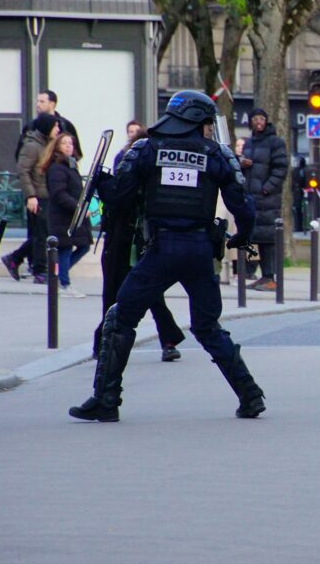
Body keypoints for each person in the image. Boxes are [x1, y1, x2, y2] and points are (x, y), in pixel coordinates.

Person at [69, 90, 263, 423]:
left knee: (121, 318)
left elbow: (118, 198)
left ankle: (106, 399)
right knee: (208, 327)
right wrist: (243, 237)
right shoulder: (215, 154)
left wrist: (101, 181)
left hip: (161, 249)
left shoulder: (147, 149)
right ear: (197, 122)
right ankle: (250, 395)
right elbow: (242, 205)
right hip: (200, 250)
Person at [93, 121, 187, 362]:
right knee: (148, 293)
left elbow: (117, 198)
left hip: (128, 240)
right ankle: (166, 340)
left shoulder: (136, 171)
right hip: (141, 238)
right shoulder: (152, 170)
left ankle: (106, 341)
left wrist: (101, 182)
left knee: (118, 292)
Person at [2, 113, 61, 284]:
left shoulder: (47, 145)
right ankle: (39, 270)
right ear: (46, 127)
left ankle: (15, 258)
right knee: (41, 235)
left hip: (47, 196)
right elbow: (23, 171)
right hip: (38, 196)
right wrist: (31, 195)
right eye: (55, 126)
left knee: (42, 233)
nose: (57, 129)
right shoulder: (32, 146)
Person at [239, 108, 288, 292]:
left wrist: (266, 188)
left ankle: (270, 276)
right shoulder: (249, 143)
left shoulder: (275, 142)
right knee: (257, 237)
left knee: (268, 239)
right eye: (255, 119)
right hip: (252, 198)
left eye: (261, 118)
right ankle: (263, 275)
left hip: (267, 199)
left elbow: (281, 168)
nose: (258, 122)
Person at [41, 133, 92, 298]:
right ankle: (64, 283)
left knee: (83, 246)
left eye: (71, 143)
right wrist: (78, 207)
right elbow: (59, 193)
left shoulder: (71, 165)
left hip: (72, 215)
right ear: (57, 147)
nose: (69, 146)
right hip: (63, 216)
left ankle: (57, 277)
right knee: (65, 249)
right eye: (64, 143)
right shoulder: (57, 167)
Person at [35, 89, 82, 159]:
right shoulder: (33, 124)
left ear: (52, 104)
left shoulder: (65, 125)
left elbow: (76, 152)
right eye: (37, 101)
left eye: (42, 102)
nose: (38, 105)